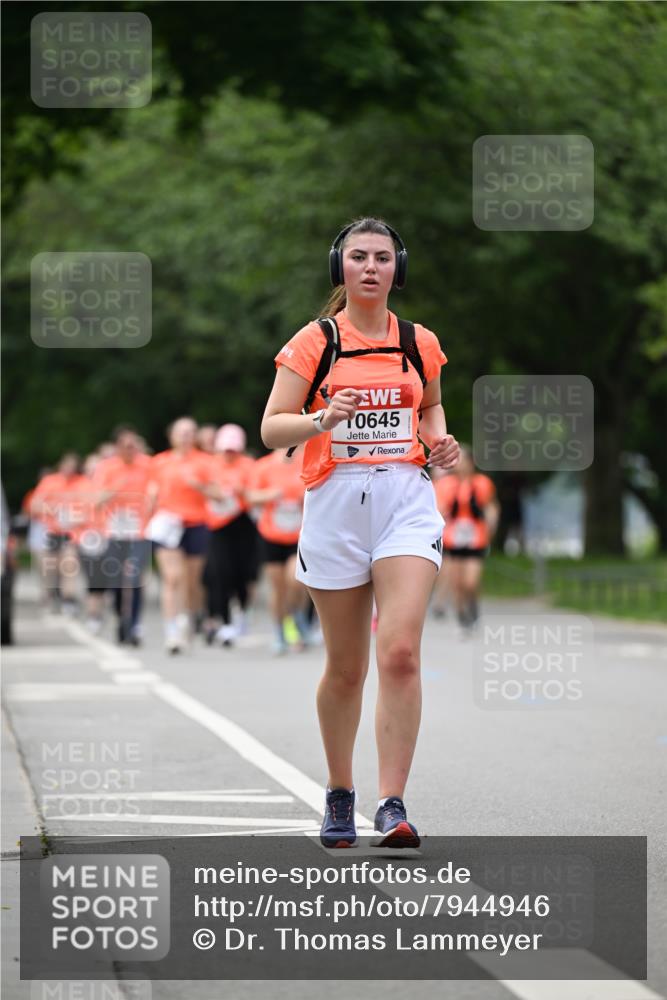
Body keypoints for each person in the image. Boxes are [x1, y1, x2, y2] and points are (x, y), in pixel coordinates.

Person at [261, 217, 460, 848]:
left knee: (399, 652)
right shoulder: (314, 342)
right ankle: (340, 793)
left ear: (397, 267)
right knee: (346, 669)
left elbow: (428, 404)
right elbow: (272, 428)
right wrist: (321, 417)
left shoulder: (417, 340)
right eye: (357, 258)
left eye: (381, 258)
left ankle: (393, 804)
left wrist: (438, 439)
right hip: (337, 503)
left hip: (405, 498)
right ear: (339, 268)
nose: (370, 268)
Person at [146, 417, 219, 653]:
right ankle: (172, 631)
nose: (186, 436)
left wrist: (200, 486)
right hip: (168, 523)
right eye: (181, 432)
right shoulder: (160, 462)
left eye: (190, 432)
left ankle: (188, 619)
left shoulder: (205, 462)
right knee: (173, 578)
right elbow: (151, 493)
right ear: (172, 435)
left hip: (196, 523)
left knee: (191, 582)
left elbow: (219, 494)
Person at [246, 445, 311, 655]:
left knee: (295, 580)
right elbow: (251, 497)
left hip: (299, 534)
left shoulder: (306, 459)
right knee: (278, 588)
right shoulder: (264, 466)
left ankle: (296, 616)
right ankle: (279, 632)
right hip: (270, 535)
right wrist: (270, 495)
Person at [93, 426, 152, 644]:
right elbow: (96, 500)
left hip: (140, 530)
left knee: (136, 578)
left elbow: (157, 491)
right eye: (126, 446)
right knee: (116, 580)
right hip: (114, 530)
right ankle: (121, 617)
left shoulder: (147, 465)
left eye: (134, 445)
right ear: (117, 447)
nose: (131, 450)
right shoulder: (106, 468)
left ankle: (135, 624)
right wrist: (115, 490)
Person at [433, 446, 499, 632]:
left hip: (475, 538)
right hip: (453, 539)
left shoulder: (482, 483)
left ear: (471, 462)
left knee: (471, 581)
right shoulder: (446, 485)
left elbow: (491, 507)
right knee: (457, 583)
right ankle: (463, 617)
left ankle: (473, 609)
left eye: (463, 460)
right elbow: (439, 508)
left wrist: (491, 523)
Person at [203, 424, 257, 647]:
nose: (229, 454)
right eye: (226, 449)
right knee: (219, 573)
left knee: (243, 575)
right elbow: (204, 489)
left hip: (243, 523)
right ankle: (223, 622)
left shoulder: (249, 466)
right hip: (218, 526)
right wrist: (217, 493)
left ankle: (241, 611)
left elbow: (253, 493)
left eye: (233, 449)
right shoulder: (210, 465)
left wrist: (240, 492)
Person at [29, 453, 86, 614]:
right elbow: (35, 505)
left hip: (71, 533)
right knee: (50, 568)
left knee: (69, 566)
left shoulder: (82, 483)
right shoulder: (49, 482)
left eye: (73, 467)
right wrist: (54, 510)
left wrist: (75, 516)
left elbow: (89, 509)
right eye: (67, 465)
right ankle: (50, 595)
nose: (69, 470)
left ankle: (68, 599)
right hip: (51, 531)